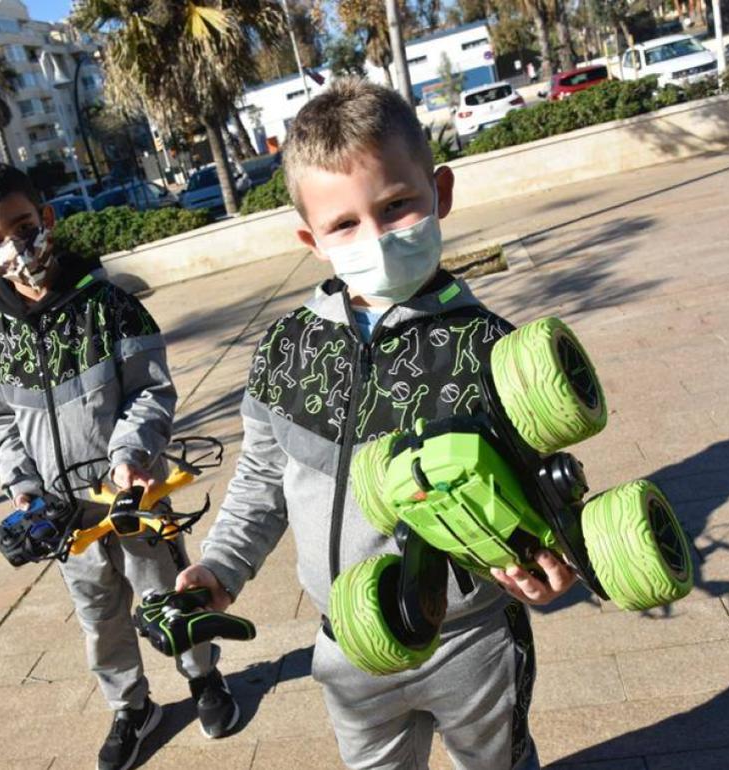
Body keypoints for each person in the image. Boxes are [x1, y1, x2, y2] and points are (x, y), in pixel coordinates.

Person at [176, 79, 575, 769]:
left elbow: (546, 485)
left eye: (396, 207)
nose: (376, 238)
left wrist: (551, 553)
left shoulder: (496, 351)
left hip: (470, 636)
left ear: (439, 192)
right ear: (311, 238)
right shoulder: (285, 350)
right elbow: (264, 478)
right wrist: (220, 568)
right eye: (343, 225)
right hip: (346, 642)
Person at [0, 162, 239, 770]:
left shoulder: (110, 306)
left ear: (46, 219)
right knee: (99, 614)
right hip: (62, 515)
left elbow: (151, 391)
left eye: (24, 226)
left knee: (164, 592)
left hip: (129, 496)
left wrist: (129, 457)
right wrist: (23, 490)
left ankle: (204, 677)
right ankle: (133, 707)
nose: (16, 246)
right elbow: (1, 423)